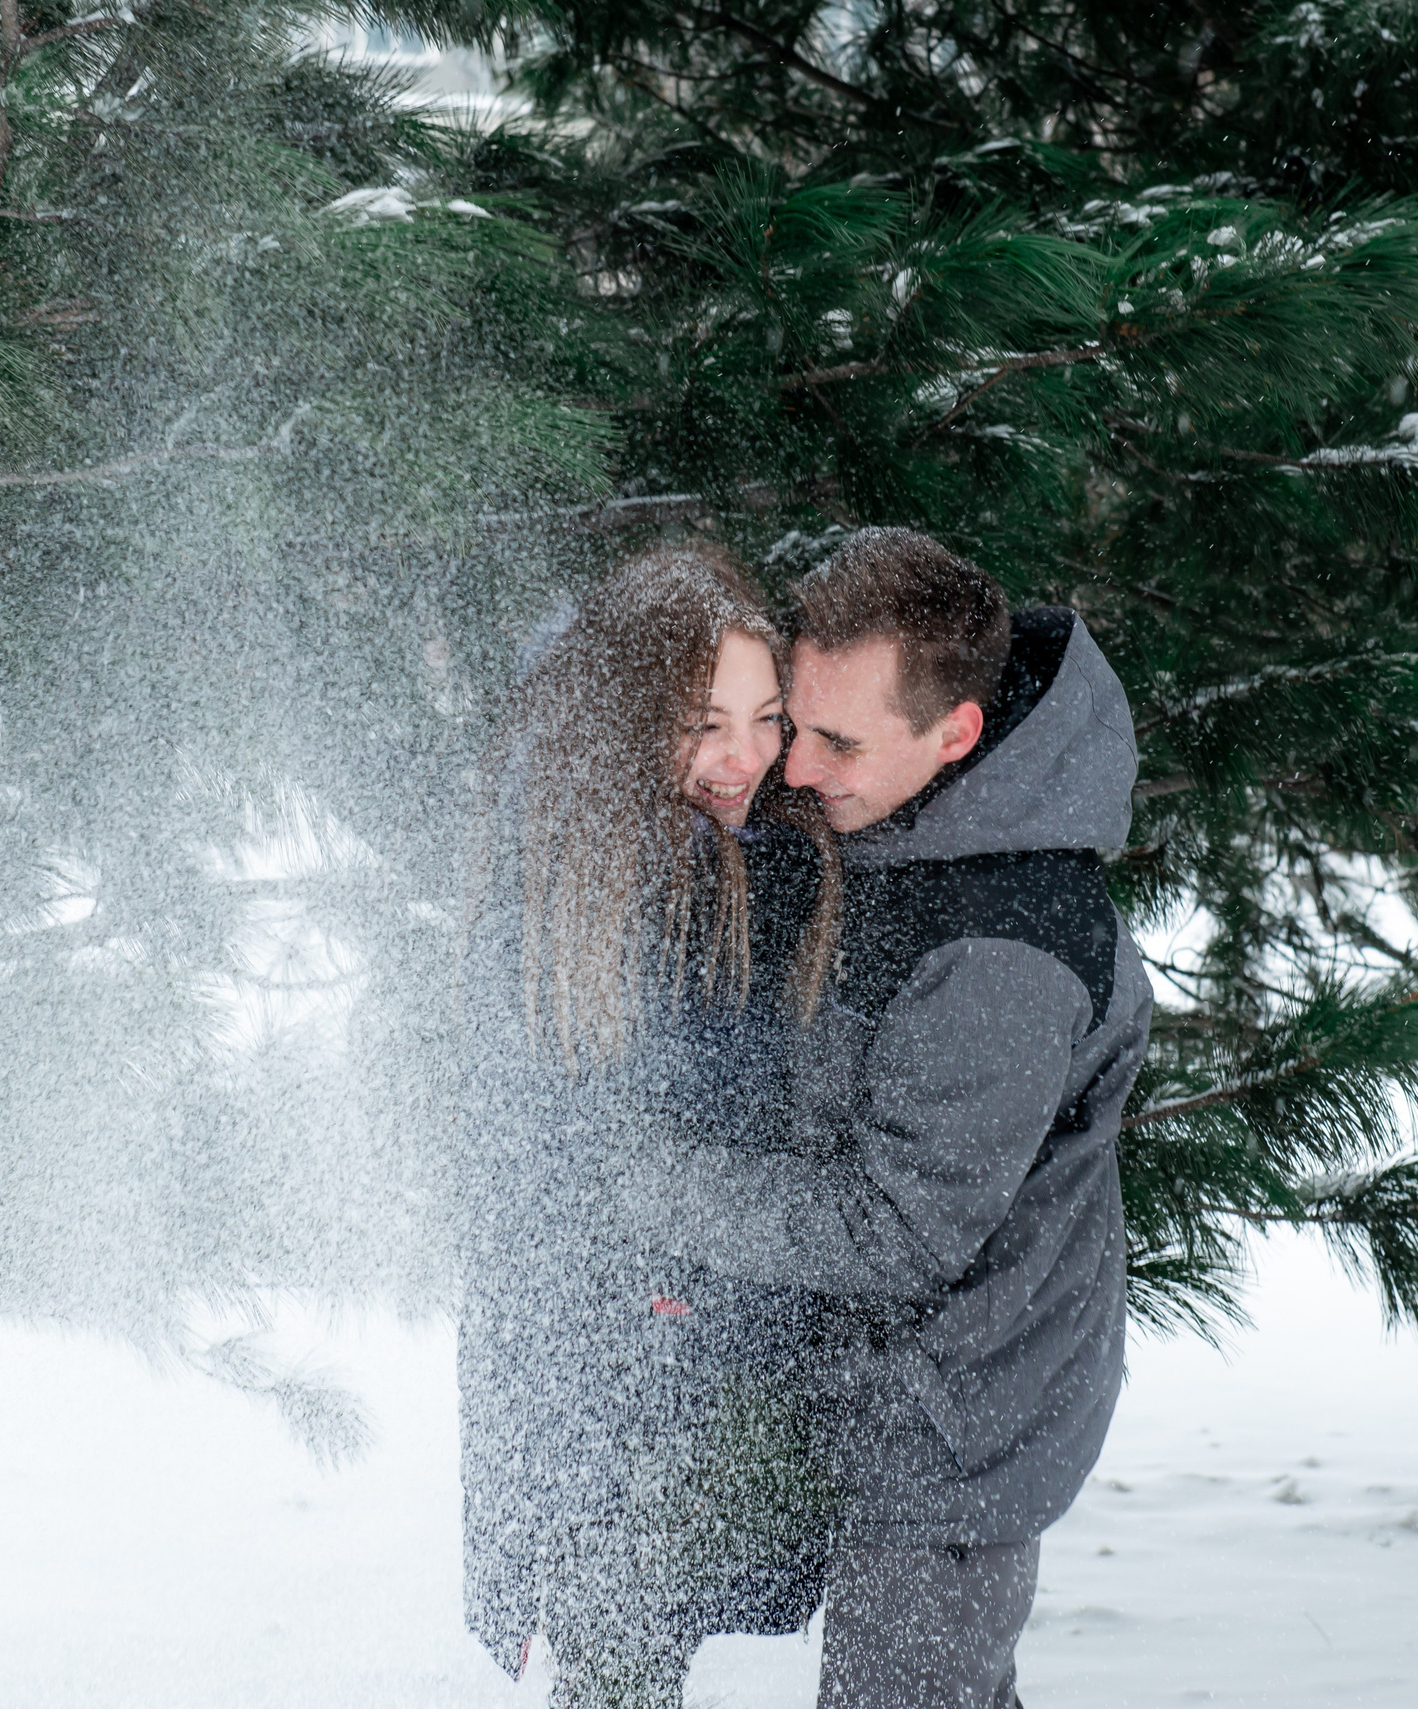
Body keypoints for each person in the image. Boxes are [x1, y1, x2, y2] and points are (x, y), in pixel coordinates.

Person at [618, 527, 1154, 1709]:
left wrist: (646, 1183)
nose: (794, 768)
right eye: (794, 722)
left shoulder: (1005, 949)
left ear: (954, 732)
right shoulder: (906, 815)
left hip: (955, 1422)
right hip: (856, 1377)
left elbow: (895, 1227)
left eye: (836, 742)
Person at [457, 542, 843, 1708]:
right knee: (620, 1662)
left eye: (766, 718)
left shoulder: (727, 857)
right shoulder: (603, 890)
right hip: (617, 1394)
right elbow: (544, 1202)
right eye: (701, 723)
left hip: (689, 1369)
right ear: (627, 721)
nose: (744, 757)